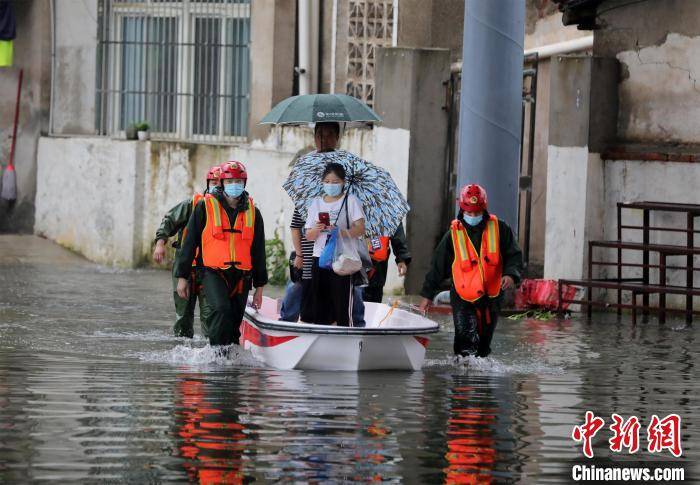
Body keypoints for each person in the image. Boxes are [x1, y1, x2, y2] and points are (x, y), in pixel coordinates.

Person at [418, 184, 523, 358]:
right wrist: (427, 296)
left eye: (477, 213)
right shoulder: (454, 233)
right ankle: (463, 380)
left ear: (484, 208)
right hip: (462, 296)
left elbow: (514, 255)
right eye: (469, 213)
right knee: (465, 342)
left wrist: (511, 274)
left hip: (491, 297)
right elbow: (438, 266)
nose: (473, 216)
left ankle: (479, 381)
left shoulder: (500, 229)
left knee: (483, 347)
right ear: (462, 210)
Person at [174, 161, 267, 347]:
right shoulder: (205, 207)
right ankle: (215, 354)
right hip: (212, 272)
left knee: (234, 322)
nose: (235, 185)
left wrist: (260, 288)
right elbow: (190, 242)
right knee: (221, 310)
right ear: (223, 183)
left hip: (242, 275)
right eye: (231, 181)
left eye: (239, 181)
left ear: (245, 183)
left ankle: (228, 361)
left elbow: (258, 251)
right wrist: (182, 277)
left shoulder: (253, 212)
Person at [280, 122, 342, 322]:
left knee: (343, 292)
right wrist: (300, 254)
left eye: (330, 134)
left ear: (337, 137)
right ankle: (286, 323)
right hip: (311, 253)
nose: (325, 138)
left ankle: (348, 325)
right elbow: (295, 225)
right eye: (321, 134)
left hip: (337, 253)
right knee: (301, 288)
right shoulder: (307, 173)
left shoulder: (345, 167)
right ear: (315, 137)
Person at [153, 166, 221, 338]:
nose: (217, 187)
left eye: (221, 183)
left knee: (210, 316)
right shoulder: (192, 204)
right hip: (186, 268)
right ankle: (182, 350)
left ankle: (210, 351)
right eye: (214, 183)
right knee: (183, 316)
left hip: (210, 271)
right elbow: (169, 220)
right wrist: (160, 243)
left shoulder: (227, 210)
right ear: (208, 184)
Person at [302, 162, 365, 326]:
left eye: (335, 182)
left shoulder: (351, 201)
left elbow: (360, 229)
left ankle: (345, 334)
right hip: (320, 259)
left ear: (343, 182)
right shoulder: (315, 203)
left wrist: (341, 231)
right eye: (327, 181)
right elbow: (308, 235)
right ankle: (323, 338)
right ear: (322, 182)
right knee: (320, 304)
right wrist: (317, 229)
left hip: (342, 259)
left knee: (342, 303)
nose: (331, 185)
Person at [351, 223, 411, 325]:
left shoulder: (385, 209)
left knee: (373, 305)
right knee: (353, 302)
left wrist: (402, 258)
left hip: (376, 269)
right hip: (352, 265)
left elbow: (396, 229)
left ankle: (370, 330)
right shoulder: (349, 207)